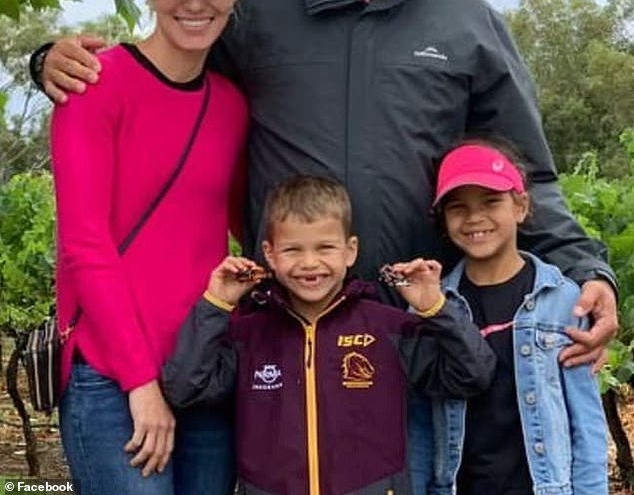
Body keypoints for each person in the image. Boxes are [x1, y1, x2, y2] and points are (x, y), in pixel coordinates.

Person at [31, 0, 617, 492]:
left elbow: (525, 173)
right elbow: (170, 61)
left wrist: (584, 265)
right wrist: (52, 60)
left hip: (408, 341)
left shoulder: (466, 23)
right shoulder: (258, 8)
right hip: (274, 343)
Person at [51, 0, 248, 495]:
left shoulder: (233, 105)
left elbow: (234, 222)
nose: (194, 2)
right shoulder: (93, 87)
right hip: (113, 377)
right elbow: (84, 246)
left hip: (204, 371)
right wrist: (140, 383)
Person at [161, 175, 497, 495]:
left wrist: (435, 308)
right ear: (270, 254)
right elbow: (184, 387)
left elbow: (473, 375)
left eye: (325, 248)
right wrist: (216, 303)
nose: (310, 263)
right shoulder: (248, 334)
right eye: (293, 250)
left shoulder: (389, 329)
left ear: (350, 251)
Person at [429, 140, 608, 495]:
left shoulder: (564, 302)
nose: (474, 217)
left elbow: (586, 425)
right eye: (458, 207)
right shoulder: (435, 307)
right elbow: (420, 423)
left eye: (491, 201)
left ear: (521, 206)